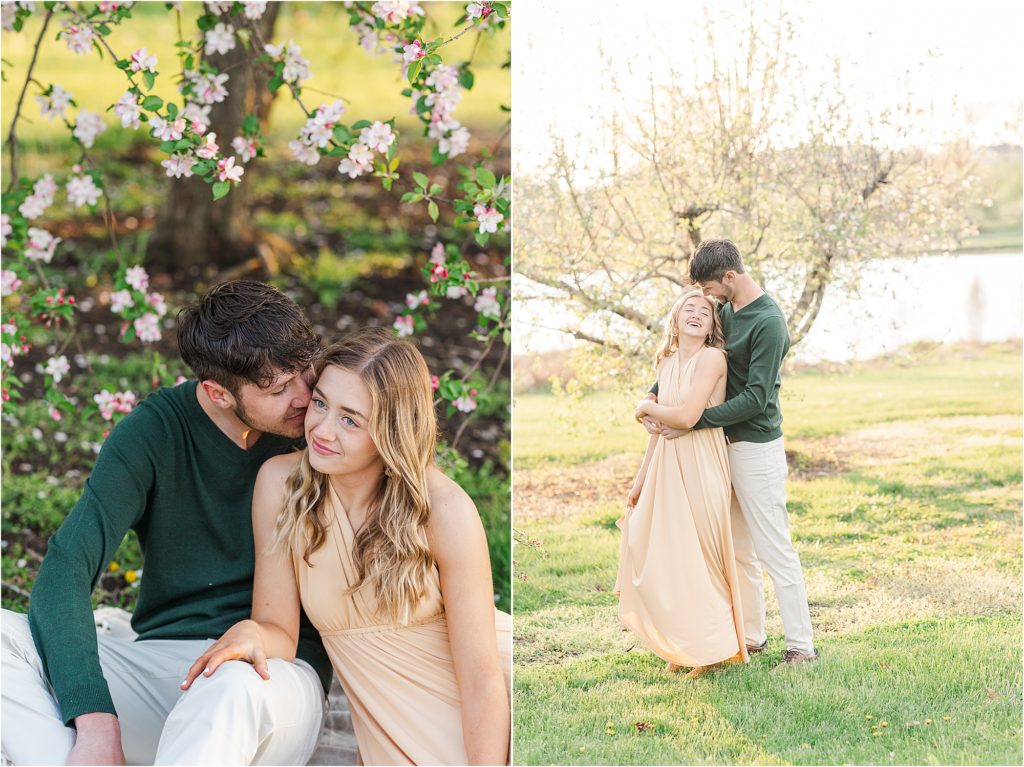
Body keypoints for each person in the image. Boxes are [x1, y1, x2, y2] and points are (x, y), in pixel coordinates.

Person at [1, 280, 333, 766]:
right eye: (281, 389)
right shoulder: (156, 432)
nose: (306, 398)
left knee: (233, 684)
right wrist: (95, 720)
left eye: (306, 372)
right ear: (217, 393)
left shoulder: (321, 432)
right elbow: (68, 565)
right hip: (166, 670)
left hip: (274, 676)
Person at [182, 328, 512, 766]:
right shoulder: (282, 486)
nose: (322, 429)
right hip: (389, 737)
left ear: (390, 432)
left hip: (482, 725)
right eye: (320, 402)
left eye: (350, 419)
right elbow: (279, 628)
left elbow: (481, 679)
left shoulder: (444, 510)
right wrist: (251, 632)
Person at [645, 239, 818, 666]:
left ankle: (801, 645)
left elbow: (757, 398)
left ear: (729, 277)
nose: (705, 298)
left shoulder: (769, 322)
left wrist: (690, 421)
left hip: (756, 448)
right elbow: (693, 357)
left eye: (709, 288)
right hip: (720, 450)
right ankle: (752, 635)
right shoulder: (724, 310)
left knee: (774, 548)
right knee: (738, 550)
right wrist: (651, 399)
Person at [616, 288, 748, 677]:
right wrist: (640, 481)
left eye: (704, 313)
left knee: (704, 559)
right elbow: (658, 431)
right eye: (687, 310)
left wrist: (645, 407)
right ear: (675, 320)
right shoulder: (667, 362)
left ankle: (716, 648)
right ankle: (684, 644)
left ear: (711, 327)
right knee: (670, 556)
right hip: (666, 466)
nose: (695, 315)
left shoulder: (713, 358)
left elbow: (688, 417)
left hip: (703, 463)